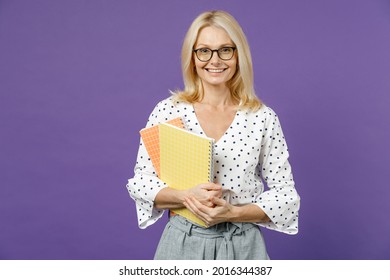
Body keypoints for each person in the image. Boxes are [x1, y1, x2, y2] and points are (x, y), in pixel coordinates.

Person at [126, 10, 300, 260]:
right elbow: (141, 183)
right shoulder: (168, 111)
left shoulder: (262, 117)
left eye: (225, 50)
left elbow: (286, 196)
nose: (215, 60)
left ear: (239, 55)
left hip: (243, 246)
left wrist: (232, 213)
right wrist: (185, 197)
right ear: (192, 57)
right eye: (204, 50)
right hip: (182, 243)